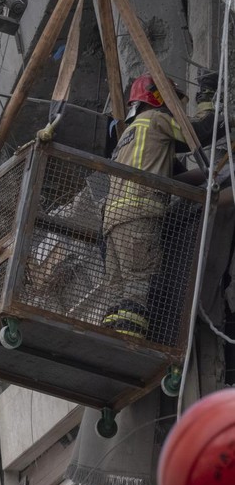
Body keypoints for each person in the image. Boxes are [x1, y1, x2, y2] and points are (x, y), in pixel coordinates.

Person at [101, 70, 219, 337]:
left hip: (112, 223)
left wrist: (213, 173)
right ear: (157, 98)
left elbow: (175, 176)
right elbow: (198, 131)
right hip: (140, 215)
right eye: (173, 101)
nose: (175, 108)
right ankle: (131, 344)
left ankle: (109, 341)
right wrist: (207, 96)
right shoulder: (156, 119)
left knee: (116, 293)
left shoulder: (128, 138)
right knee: (138, 283)